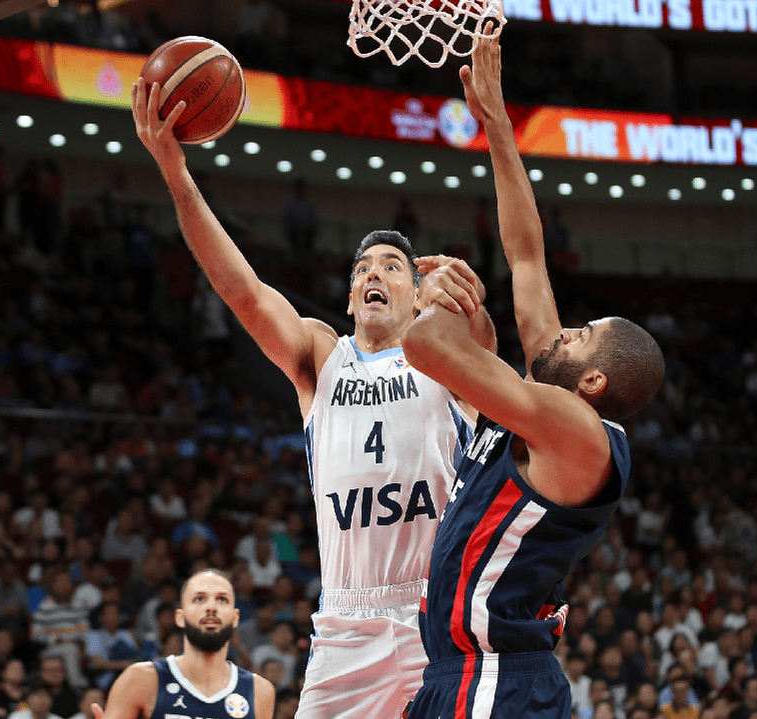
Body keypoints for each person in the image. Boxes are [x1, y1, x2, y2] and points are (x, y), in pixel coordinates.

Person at [130, 76, 494, 719]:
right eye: (362, 270)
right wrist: (175, 172)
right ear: (352, 299)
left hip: (432, 613)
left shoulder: (446, 360)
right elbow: (241, 291)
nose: (372, 274)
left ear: (416, 294)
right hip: (345, 621)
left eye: (389, 267)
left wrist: (467, 306)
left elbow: (493, 369)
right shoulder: (321, 357)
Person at [401, 35, 664, 719]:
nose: (559, 332)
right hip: (461, 673)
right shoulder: (548, 404)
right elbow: (525, 255)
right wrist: (497, 126)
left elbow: (425, 346)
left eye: (579, 337)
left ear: (596, 382)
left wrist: (440, 300)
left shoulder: (578, 430)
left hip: (496, 679)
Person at [91, 569, 273, 719]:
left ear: (235, 618)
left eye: (222, 599)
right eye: (199, 599)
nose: (211, 607)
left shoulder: (259, 691)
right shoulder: (140, 679)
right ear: (180, 617)